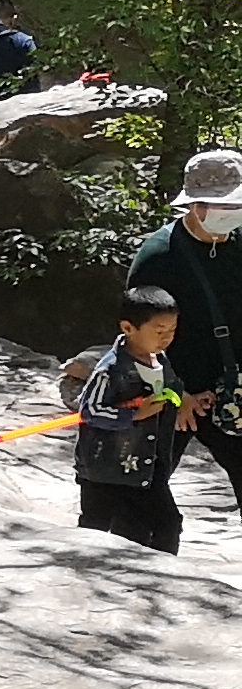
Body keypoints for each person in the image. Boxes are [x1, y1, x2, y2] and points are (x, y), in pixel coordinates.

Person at [128, 150, 242, 511]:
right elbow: (138, 338)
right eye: (223, 204)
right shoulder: (161, 257)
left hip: (231, 392)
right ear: (195, 205)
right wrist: (177, 393)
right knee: (142, 489)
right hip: (175, 396)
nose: (231, 212)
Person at [77, 287, 193, 554]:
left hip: (148, 468)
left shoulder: (160, 361)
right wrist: (133, 415)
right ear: (129, 328)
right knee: (103, 531)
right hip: (107, 472)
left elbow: (171, 388)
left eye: (172, 331)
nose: (167, 338)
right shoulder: (110, 370)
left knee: (166, 524)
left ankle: (165, 576)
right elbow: (89, 411)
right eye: (159, 331)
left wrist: (183, 397)